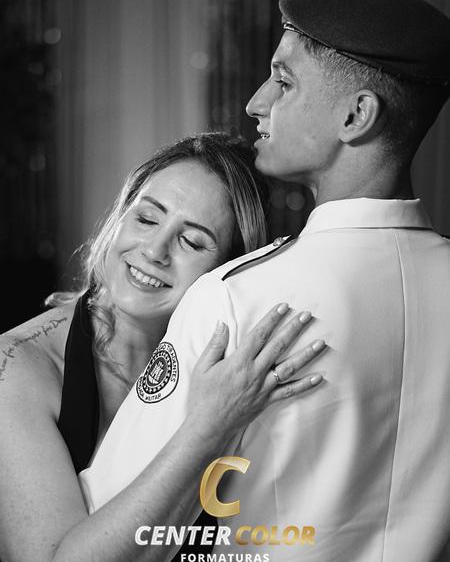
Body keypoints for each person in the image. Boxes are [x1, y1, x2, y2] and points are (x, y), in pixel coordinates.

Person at [79, 0, 450, 562]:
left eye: (284, 81)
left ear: (355, 116)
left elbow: (104, 543)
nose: (256, 103)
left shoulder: (236, 299)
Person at [0, 132, 327, 562]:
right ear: (119, 217)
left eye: (192, 242)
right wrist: (211, 426)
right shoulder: (16, 368)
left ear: (225, 271)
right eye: (146, 219)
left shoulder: (236, 376)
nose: (155, 250)